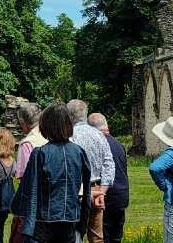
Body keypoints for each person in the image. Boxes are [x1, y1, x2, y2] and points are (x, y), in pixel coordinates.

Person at [12, 103, 91, 243]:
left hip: (43, 223)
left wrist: (18, 210)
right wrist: (83, 220)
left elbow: (29, 189)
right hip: (69, 220)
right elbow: (86, 192)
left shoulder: (40, 153)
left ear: (46, 125)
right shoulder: (79, 152)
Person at [66, 99, 114, 243]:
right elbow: (109, 165)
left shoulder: (69, 135)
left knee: (74, 233)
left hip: (77, 189)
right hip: (97, 187)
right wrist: (102, 192)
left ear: (68, 116)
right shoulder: (98, 134)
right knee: (97, 236)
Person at [88, 113, 128, 243]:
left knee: (104, 236)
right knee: (116, 237)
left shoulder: (99, 144)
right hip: (121, 195)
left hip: (106, 195)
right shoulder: (118, 144)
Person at [11, 102, 47, 243]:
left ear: (23, 122)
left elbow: (25, 178)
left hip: (33, 205)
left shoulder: (27, 144)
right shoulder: (50, 137)